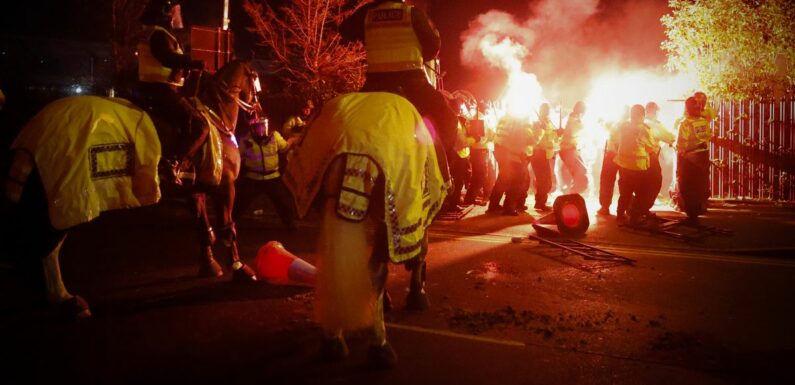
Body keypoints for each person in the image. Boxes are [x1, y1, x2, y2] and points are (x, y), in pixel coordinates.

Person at [339, 0, 458, 181]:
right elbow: (433, 47)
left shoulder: (367, 13)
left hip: (375, 84)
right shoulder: (412, 13)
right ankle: (443, 175)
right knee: (447, 119)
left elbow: (344, 32)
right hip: (412, 83)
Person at [137, 0, 206, 183]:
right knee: (200, 126)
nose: (178, 15)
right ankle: (175, 162)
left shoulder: (161, 34)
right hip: (160, 90)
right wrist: (192, 62)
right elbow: (167, 58)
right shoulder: (158, 35)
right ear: (165, 13)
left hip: (161, 89)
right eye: (175, 11)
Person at [233, 118, 299, 230]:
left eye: (264, 126)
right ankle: (230, 222)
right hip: (253, 178)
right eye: (259, 127)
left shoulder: (274, 136)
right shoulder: (246, 140)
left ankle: (290, 223)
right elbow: (237, 155)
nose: (262, 129)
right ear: (253, 128)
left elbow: (284, 148)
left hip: (273, 178)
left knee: (283, 201)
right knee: (240, 201)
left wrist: (292, 140)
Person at [613, 104, 656, 225]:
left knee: (625, 193)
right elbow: (651, 146)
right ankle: (634, 216)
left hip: (624, 165)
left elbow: (616, 141)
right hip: (638, 166)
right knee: (641, 193)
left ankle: (620, 216)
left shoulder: (623, 126)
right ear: (642, 115)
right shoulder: (644, 129)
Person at [676, 97, 712, 223]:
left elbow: (682, 143)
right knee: (700, 184)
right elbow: (708, 136)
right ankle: (698, 210)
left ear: (687, 108)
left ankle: (691, 214)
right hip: (703, 156)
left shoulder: (685, 123)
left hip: (689, 158)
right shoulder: (703, 121)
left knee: (687, 186)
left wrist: (680, 154)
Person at [642, 101, 675, 213]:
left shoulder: (641, 122)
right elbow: (668, 137)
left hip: (638, 158)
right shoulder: (655, 125)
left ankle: (640, 208)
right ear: (655, 111)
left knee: (642, 183)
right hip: (650, 157)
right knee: (655, 182)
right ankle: (643, 208)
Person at [559, 101, 589, 194]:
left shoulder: (574, 118)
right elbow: (570, 132)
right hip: (568, 150)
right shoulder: (573, 119)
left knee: (581, 172)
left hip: (571, 149)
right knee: (580, 173)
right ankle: (572, 194)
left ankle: (573, 193)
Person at [530, 103, 556, 211]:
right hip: (538, 153)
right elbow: (535, 140)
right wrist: (540, 128)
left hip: (546, 154)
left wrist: (558, 134)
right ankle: (541, 203)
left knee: (545, 181)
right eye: (545, 109)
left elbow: (553, 139)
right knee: (544, 181)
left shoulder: (549, 123)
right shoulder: (536, 123)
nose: (547, 111)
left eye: (548, 109)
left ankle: (540, 202)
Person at [597, 117, 621, 216]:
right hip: (625, 155)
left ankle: (605, 207)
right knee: (626, 183)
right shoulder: (628, 124)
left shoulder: (615, 123)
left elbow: (606, 125)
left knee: (607, 181)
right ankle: (624, 209)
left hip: (613, 154)